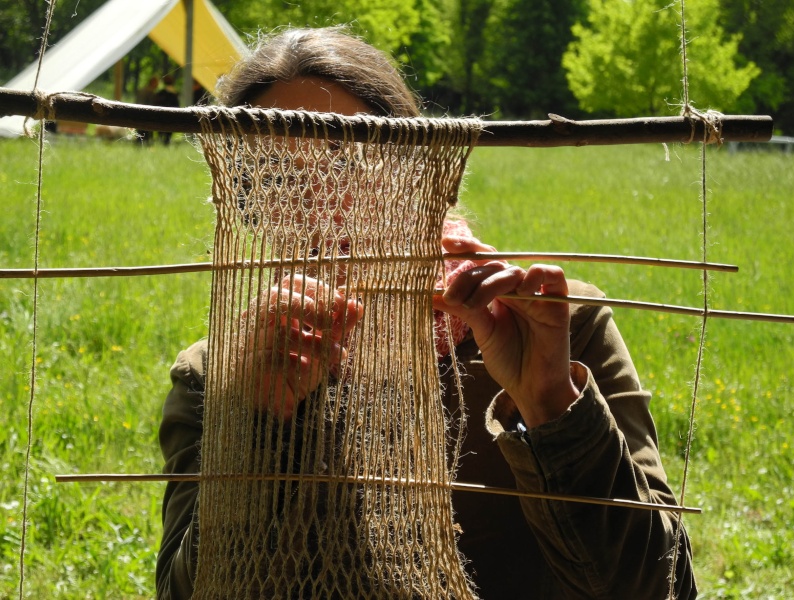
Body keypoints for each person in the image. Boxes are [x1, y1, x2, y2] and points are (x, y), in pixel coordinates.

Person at [158, 28, 697, 599]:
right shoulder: (221, 374)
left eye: (346, 157)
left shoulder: (556, 328)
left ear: (416, 169)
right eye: (278, 178)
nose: (318, 203)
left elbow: (660, 588)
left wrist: (551, 405)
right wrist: (253, 427)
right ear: (248, 206)